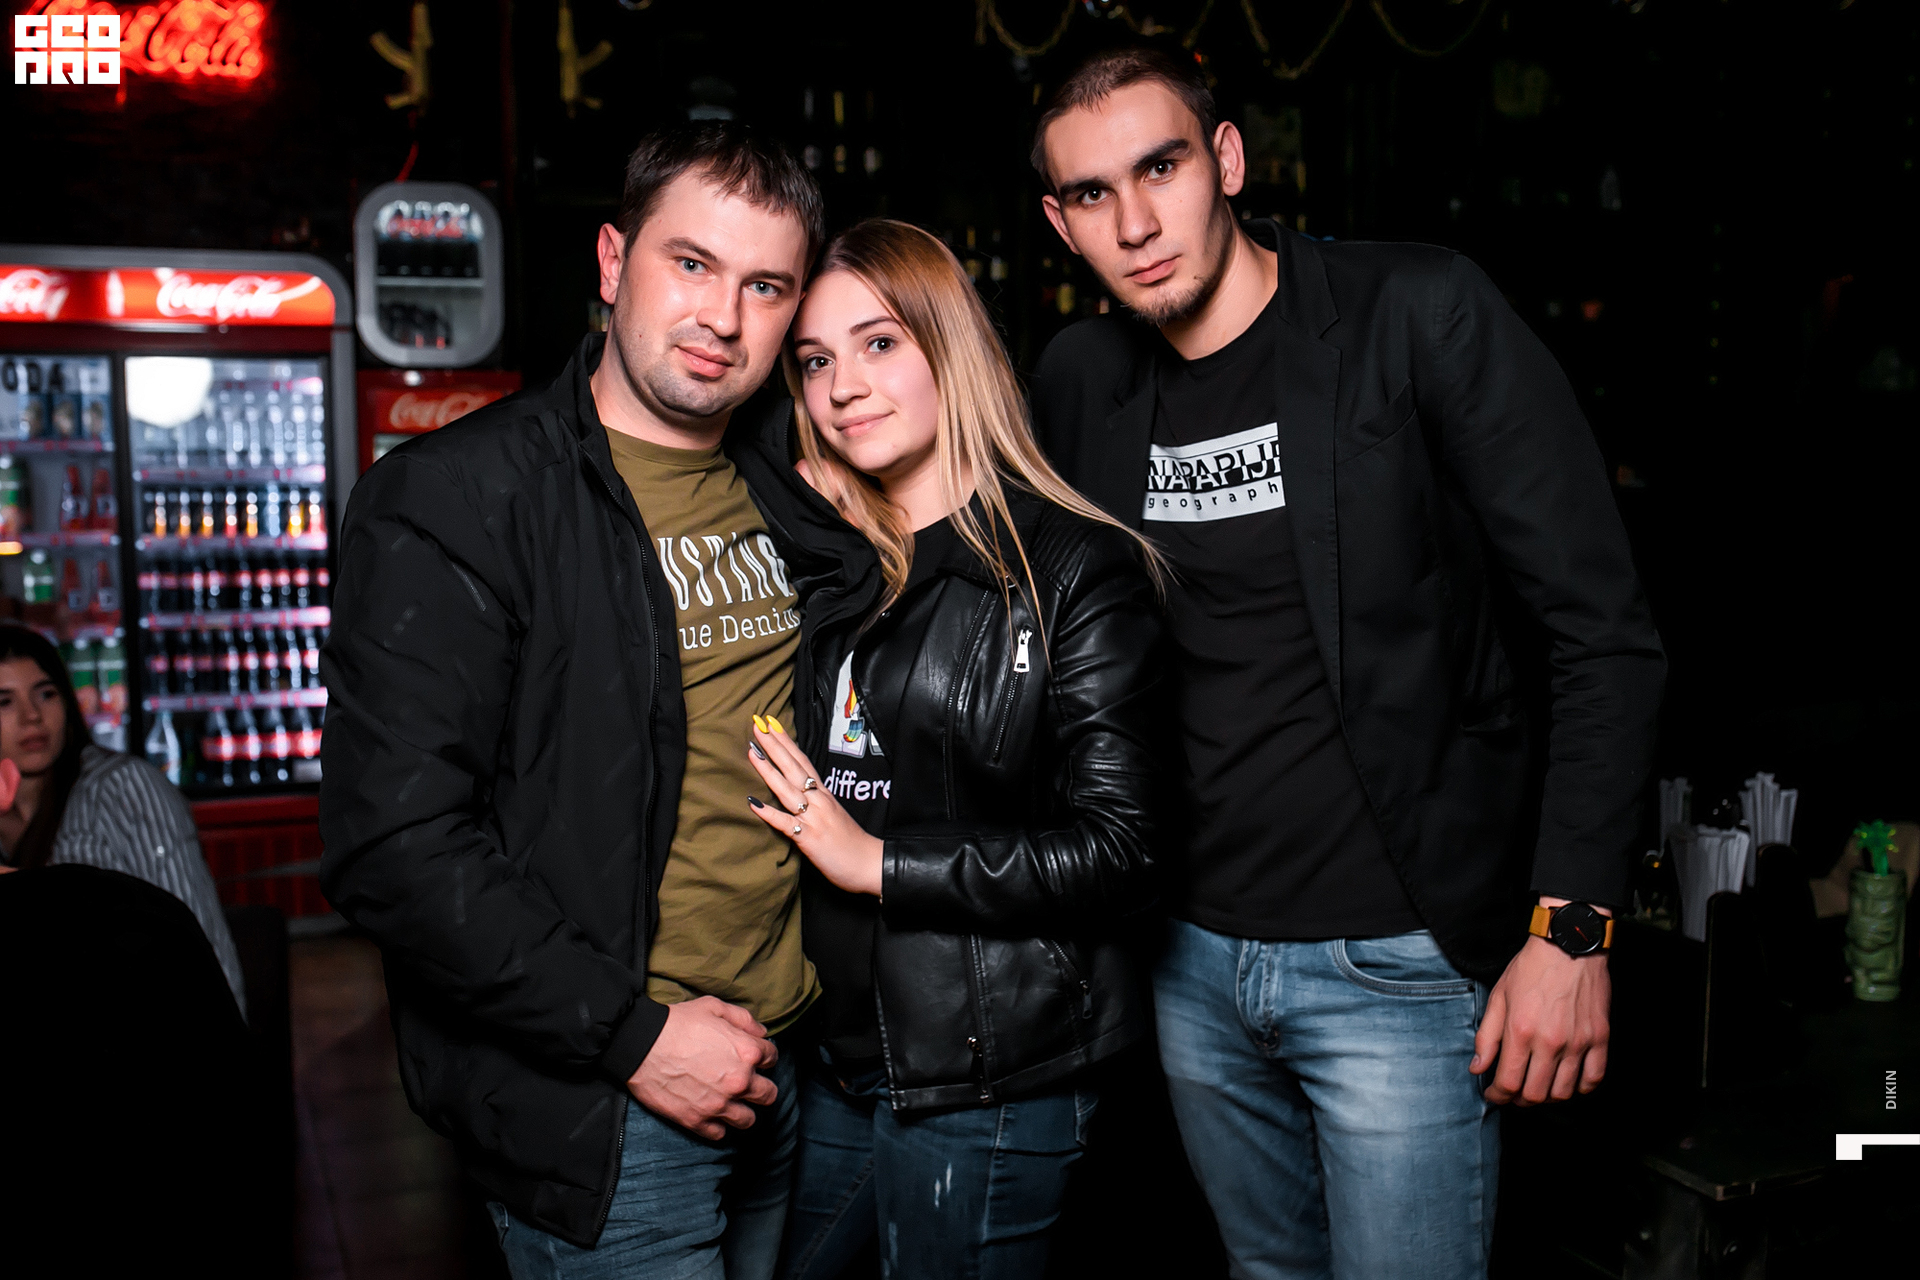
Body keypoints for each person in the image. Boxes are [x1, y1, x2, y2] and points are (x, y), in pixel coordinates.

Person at [1027, 47, 1666, 1280]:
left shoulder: (1417, 312)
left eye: (1161, 168)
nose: (1137, 223)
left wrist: (1573, 928)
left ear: (1226, 159)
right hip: (1190, 963)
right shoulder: (1079, 380)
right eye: (1093, 194)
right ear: (1059, 223)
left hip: (1400, 965)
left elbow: (1603, 630)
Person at [319, 123, 827, 1279]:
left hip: (791, 1057)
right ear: (612, 260)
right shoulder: (457, 497)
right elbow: (393, 846)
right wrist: (633, 1036)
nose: (722, 316)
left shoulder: (791, 481)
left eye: (764, 285)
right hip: (615, 1101)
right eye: (690, 263)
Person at [735, 218, 1166, 1280]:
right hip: (841, 1056)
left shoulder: (1073, 569)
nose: (843, 387)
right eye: (815, 361)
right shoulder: (845, 566)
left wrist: (876, 863)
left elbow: (1124, 851)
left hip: (988, 1073)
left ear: (951, 348)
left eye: (879, 343)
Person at [0, 623, 245, 1014]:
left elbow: (201, 945)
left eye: (46, 693)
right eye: (4, 702)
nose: (32, 717)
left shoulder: (122, 787)